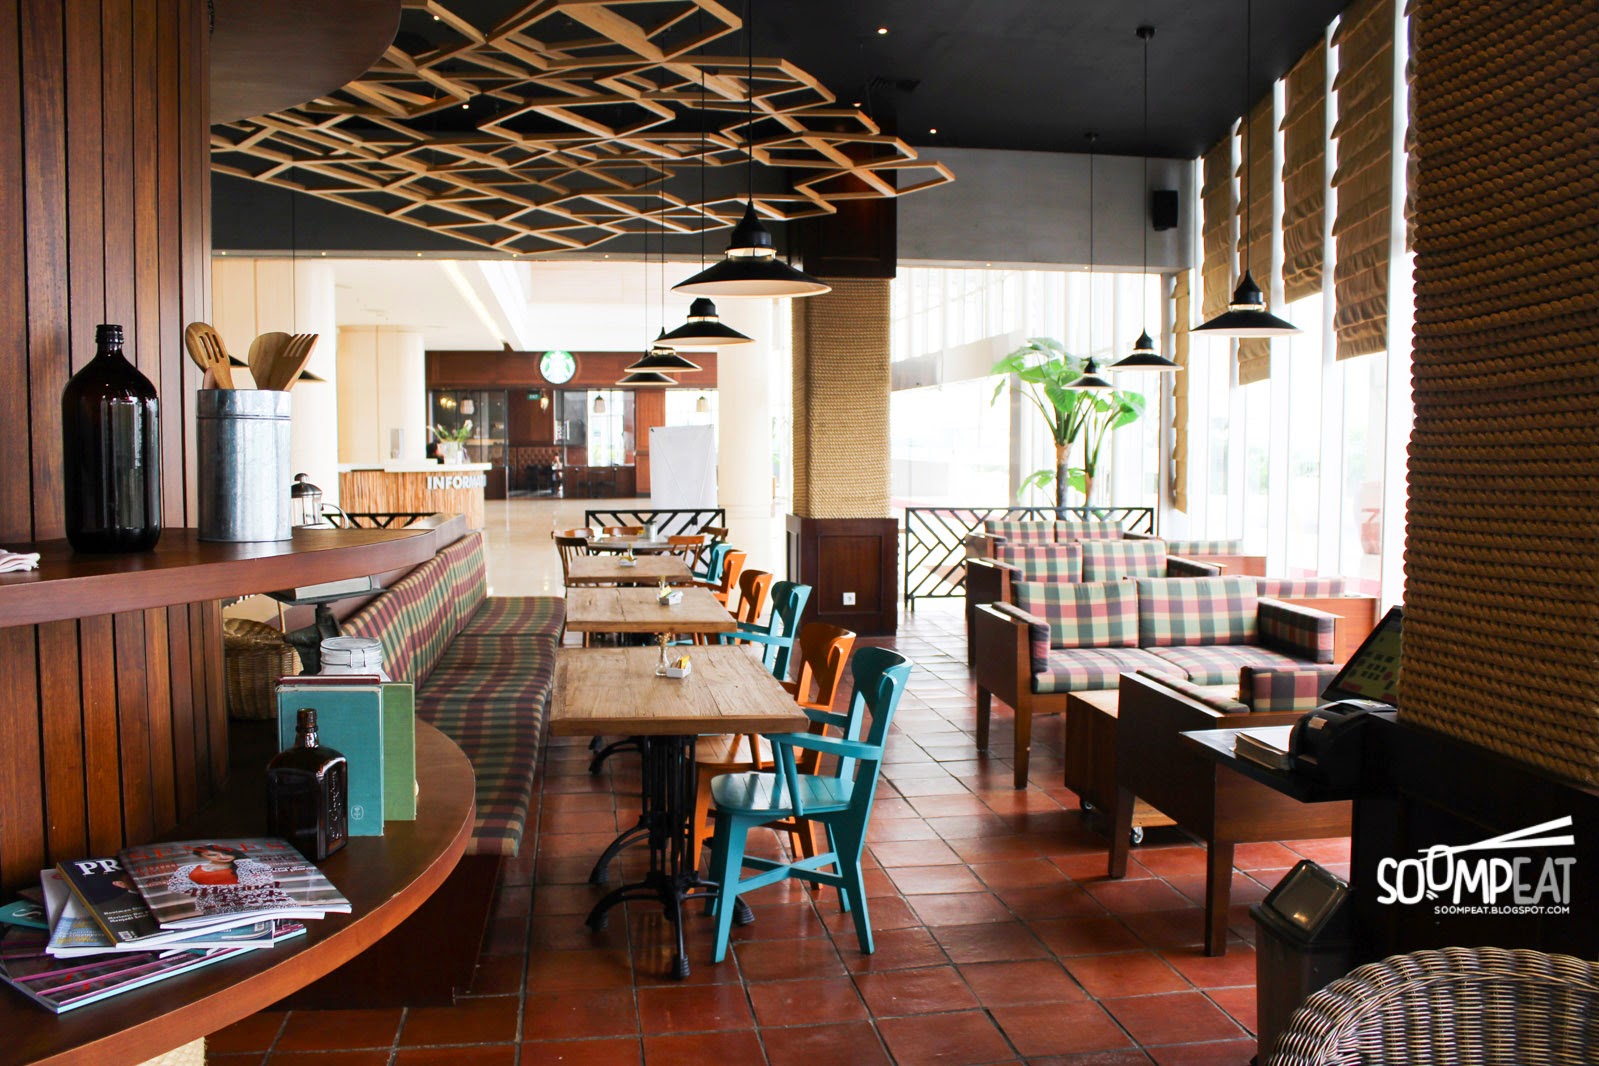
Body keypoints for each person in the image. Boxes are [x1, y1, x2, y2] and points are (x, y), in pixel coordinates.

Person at [164, 844, 295, 915]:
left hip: (250, 902)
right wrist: (208, 890)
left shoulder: (251, 866)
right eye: (213, 855)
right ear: (203, 856)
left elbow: (260, 883)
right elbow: (176, 885)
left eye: (226, 853)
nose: (221, 857)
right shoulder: (188, 869)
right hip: (215, 904)